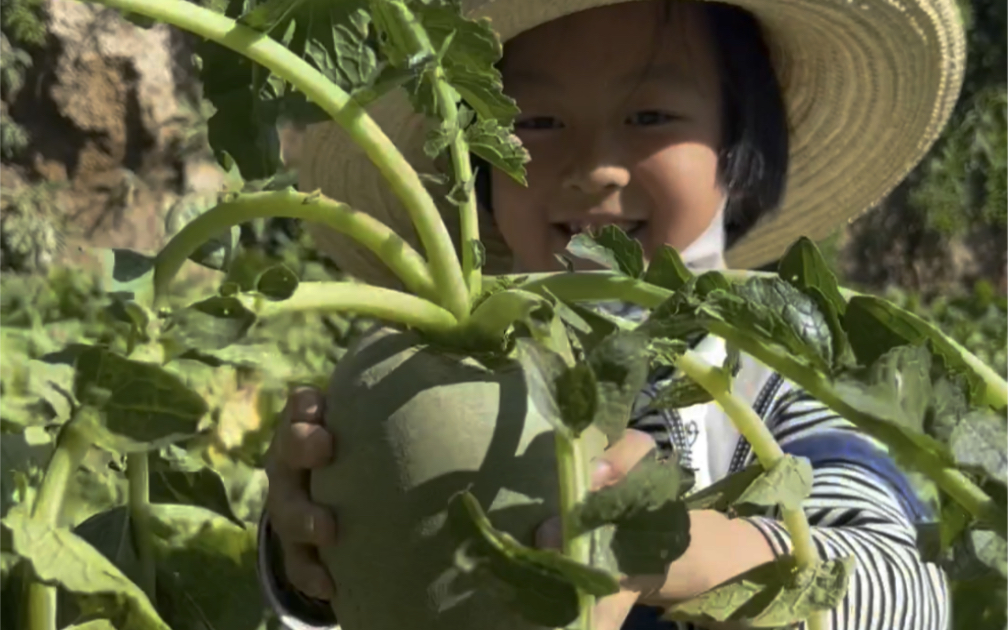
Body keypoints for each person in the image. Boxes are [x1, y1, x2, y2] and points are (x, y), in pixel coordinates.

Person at [258, 0, 965, 628]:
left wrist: (676, 555)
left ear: (738, 146)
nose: (596, 165)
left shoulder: (769, 373)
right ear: (474, 158)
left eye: (649, 116)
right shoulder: (413, 365)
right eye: (535, 121)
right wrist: (307, 557)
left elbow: (911, 593)